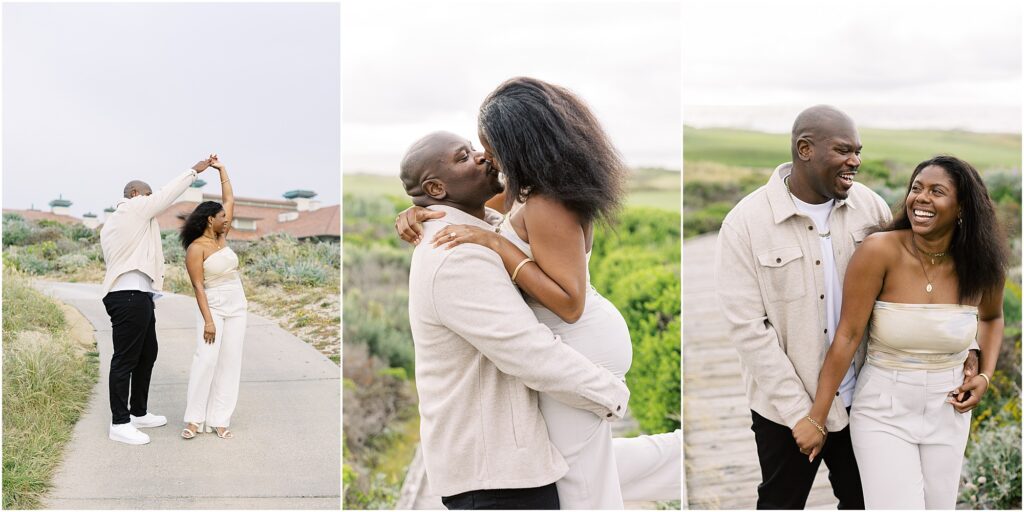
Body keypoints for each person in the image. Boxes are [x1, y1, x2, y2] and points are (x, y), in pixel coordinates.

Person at [398, 77, 681, 509]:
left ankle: (677, 458)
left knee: (582, 487)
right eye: (474, 151)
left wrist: (499, 246)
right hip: (574, 343)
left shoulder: (546, 201)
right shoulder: (518, 196)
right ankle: (679, 457)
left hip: (577, 341)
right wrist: (417, 208)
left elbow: (569, 304)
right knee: (582, 469)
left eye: (487, 147)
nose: (485, 156)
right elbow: (471, 215)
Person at [713, 105, 979, 509]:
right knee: (780, 502)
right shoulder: (745, 224)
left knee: (862, 502)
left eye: (858, 150)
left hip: (867, 401)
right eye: (843, 150)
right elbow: (748, 330)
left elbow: (925, 277)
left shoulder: (870, 207)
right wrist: (802, 414)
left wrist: (966, 346)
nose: (855, 161)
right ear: (805, 149)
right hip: (786, 407)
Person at [795, 155, 1006, 509]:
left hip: (949, 408)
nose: (920, 198)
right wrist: (817, 417)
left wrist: (985, 375)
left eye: (936, 191)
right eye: (916, 188)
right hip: (883, 408)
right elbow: (846, 336)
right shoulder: (880, 251)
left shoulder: (982, 264)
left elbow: (991, 319)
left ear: (961, 208)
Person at [100, 157, 212, 445]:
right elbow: (165, 196)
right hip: (128, 296)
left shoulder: (123, 220)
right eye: (147, 196)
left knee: (147, 353)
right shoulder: (133, 208)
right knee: (124, 359)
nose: (152, 202)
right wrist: (193, 171)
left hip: (138, 295)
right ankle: (120, 423)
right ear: (136, 194)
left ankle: (138, 412)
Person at [179, 155, 247, 440]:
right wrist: (208, 321)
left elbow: (229, 198)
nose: (226, 219)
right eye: (221, 217)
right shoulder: (196, 248)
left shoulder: (223, 237)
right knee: (206, 359)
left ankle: (220, 418)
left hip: (237, 305)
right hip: (213, 306)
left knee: (230, 361)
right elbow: (198, 287)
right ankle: (194, 419)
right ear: (210, 219)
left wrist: (222, 170)